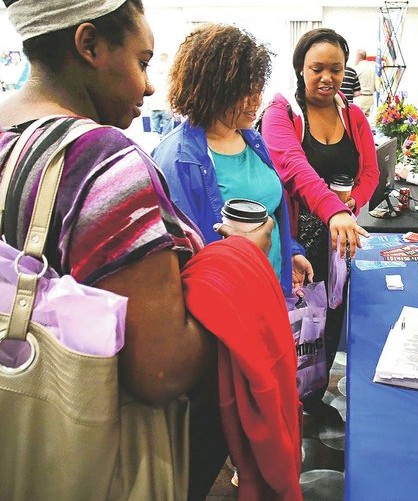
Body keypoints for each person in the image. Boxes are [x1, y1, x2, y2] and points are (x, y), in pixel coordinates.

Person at [0, 0, 274, 499]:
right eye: (141, 62)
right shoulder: (105, 162)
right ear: (89, 44)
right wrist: (243, 258)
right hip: (90, 455)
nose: (150, 86)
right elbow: (160, 369)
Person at [260, 27, 378, 425]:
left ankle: (312, 397)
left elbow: (370, 174)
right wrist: (333, 209)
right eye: (317, 69)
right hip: (295, 241)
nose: (327, 78)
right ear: (299, 68)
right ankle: (281, 409)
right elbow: (294, 168)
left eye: (335, 69)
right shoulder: (281, 113)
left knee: (329, 319)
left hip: (336, 241)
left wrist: (352, 203)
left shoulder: (354, 116)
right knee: (292, 327)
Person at [152, 24, 312, 297]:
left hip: (270, 287)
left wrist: (289, 252)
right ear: (214, 91)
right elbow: (184, 262)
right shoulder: (180, 160)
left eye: (259, 89)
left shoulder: (251, 138)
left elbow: (269, 211)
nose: (257, 101)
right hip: (230, 299)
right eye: (245, 92)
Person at [148, 51, 173, 136]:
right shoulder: (169, 71)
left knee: (154, 132)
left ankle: (155, 145)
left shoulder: (152, 71)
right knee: (167, 134)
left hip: (154, 105)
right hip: (165, 105)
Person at [353, 49, 376, 116]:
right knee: (365, 122)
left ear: (358, 57)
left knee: (356, 121)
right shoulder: (372, 66)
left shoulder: (357, 68)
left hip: (360, 98)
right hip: (370, 98)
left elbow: (353, 82)